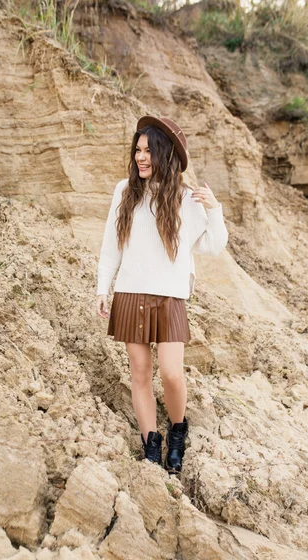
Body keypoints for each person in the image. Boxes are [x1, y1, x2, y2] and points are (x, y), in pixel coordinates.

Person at [96, 115, 228, 474]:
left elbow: (214, 246)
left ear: (164, 155)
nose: (141, 157)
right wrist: (102, 287)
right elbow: (112, 246)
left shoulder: (187, 199)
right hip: (129, 293)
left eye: (148, 151)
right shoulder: (124, 191)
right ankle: (151, 445)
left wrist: (214, 210)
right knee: (139, 374)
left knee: (171, 373)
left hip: (169, 297)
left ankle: (177, 432)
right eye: (137, 150)